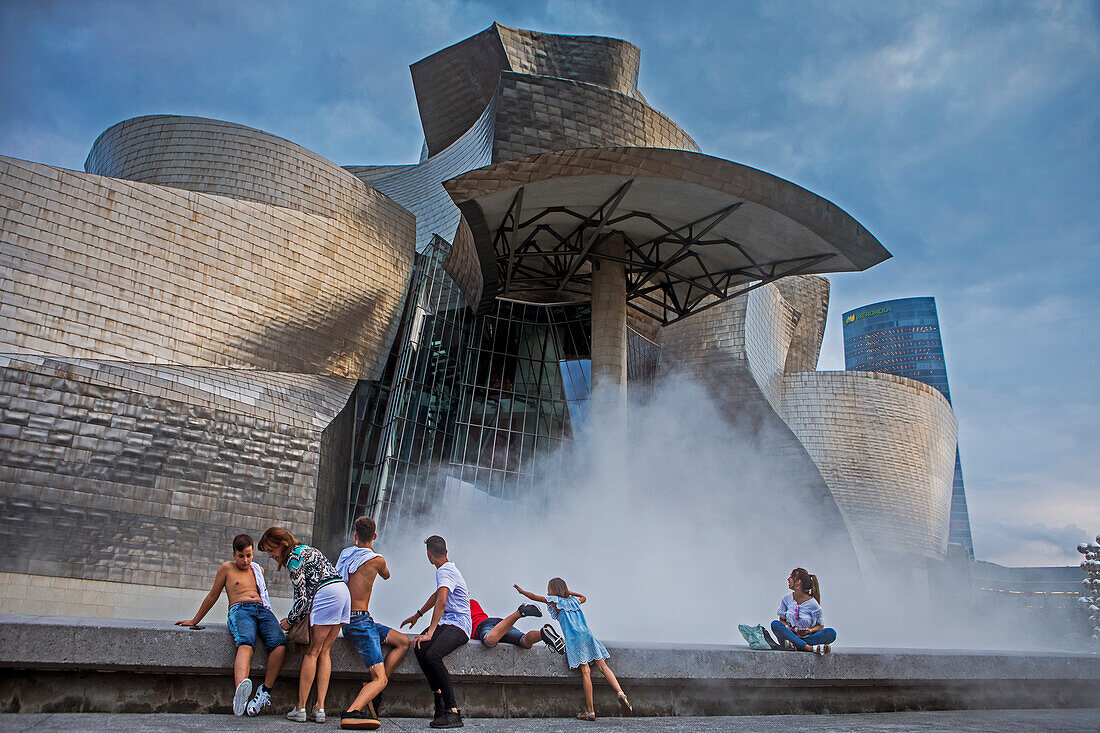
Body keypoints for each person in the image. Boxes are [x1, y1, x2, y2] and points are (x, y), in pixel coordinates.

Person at [176, 533, 286, 717]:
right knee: (246, 643)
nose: (245, 560)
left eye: (249, 555)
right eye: (241, 555)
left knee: (280, 644)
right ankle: (241, 691)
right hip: (240, 610)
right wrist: (195, 621)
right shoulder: (227, 569)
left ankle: (264, 691)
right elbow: (213, 595)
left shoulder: (257, 569)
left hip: (262, 609)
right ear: (234, 554)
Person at [258, 526, 352, 723]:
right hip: (343, 591)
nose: (270, 555)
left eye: (270, 550)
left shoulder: (293, 559)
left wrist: (289, 621)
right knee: (325, 652)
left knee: (312, 652)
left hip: (326, 594)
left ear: (282, 545)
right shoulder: (308, 549)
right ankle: (320, 708)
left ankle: (301, 708)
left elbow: (301, 598)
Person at [514, 578, 632, 721]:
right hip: (587, 635)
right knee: (603, 666)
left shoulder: (555, 601)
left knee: (586, 671)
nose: (547, 591)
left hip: (575, 639)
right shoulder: (574, 600)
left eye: (549, 588)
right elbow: (584, 597)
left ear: (553, 590)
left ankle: (590, 712)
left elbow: (535, 597)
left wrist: (522, 592)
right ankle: (620, 692)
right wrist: (569, 592)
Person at [337, 515, 411, 730]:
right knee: (380, 678)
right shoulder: (377, 560)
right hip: (359, 622)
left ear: (355, 536)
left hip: (356, 621)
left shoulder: (345, 555)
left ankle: (372, 690)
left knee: (403, 641)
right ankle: (352, 712)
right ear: (375, 536)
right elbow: (387, 576)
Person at [400, 535, 470, 729]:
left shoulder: (444, 571)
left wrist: (430, 632)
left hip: (460, 625)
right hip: (448, 622)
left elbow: (442, 601)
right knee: (420, 647)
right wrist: (418, 614)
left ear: (428, 555)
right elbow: (439, 594)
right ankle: (438, 699)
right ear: (446, 552)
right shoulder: (447, 569)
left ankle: (453, 711)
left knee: (432, 655)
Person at [769, 567, 837, 655]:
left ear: (798, 582)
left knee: (831, 633)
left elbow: (820, 626)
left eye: (791, 577)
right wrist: (789, 629)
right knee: (775, 624)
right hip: (788, 638)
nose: (788, 579)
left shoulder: (813, 604)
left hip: (801, 640)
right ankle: (808, 648)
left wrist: (809, 631)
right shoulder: (786, 599)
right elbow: (781, 620)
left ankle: (796, 645)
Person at [469, 598, 566, 654]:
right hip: (501, 625)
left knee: (490, 640)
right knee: (525, 642)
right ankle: (543, 634)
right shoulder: (473, 602)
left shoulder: (463, 606)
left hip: (484, 625)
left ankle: (520, 612)